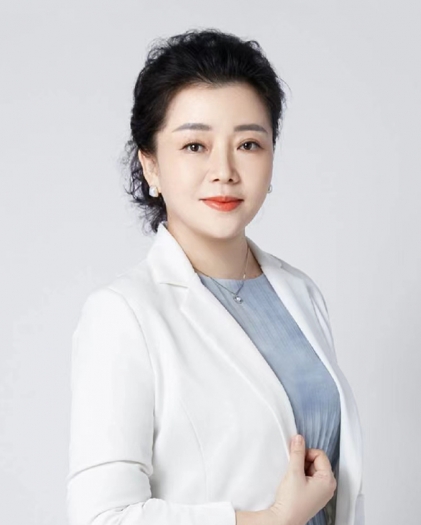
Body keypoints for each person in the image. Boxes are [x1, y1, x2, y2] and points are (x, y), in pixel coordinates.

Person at [66, 28, 365, 525]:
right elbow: (102, 517)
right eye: (194, 146)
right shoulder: (122, 315)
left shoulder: (301, 294)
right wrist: (273, 520)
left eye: (248, 143)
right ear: (150, 166)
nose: (224, 170)